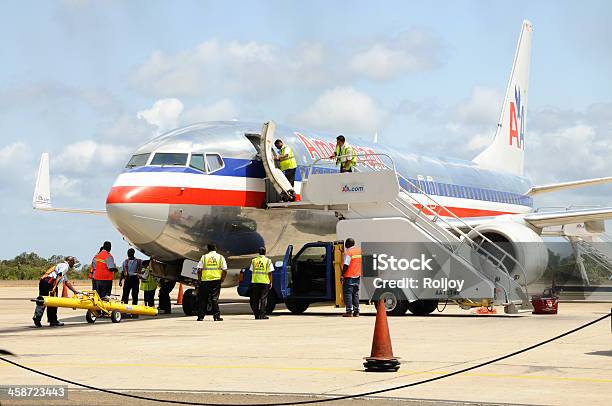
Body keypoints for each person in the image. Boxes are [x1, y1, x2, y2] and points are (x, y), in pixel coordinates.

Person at [32, 256, 80, 327]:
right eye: (73, 262)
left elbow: (66, 282)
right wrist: (54, 287)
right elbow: (59, 275)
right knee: (53, 302)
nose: (73, 264)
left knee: (42, 300)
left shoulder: (60, 266)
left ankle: (37, 318)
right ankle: (53, 321)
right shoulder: (65, 266)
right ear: (69, 262)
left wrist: (74, 291)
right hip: (50, 282)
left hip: (44, 281)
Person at [196, 243, 227, 321]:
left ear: (208, 249)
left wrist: (199, 279)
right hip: (216, 280)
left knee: (203, 299)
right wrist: (222, 279)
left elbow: (199, 269)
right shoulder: (220, 257)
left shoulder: (204, 257)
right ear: (215, 249)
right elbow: (225, 270)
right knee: (214, 298)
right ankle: (216, 316)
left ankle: (200, 317)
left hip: (205, 280)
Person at [249, 247, 274, 320]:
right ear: (265, 252)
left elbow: (251, 270)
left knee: (255, 299)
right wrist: (270, 282)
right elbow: (270, 273)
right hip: (265, 282)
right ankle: (262, 315)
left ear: (258, 252)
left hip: (255, 282)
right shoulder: (268, 261)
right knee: (263, 299)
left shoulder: (254, 261)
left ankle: (256, 315)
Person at [341, 238, 362, 317]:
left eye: (346, 243)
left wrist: (342, 275)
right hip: (357, 276)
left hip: (349, 276)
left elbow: (346, 265)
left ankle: (349, 311)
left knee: (348, 294)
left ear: (349, 244)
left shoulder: (349, 252)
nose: (345, 244)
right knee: (355, 294)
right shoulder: (358, 251)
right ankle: (356, 311)